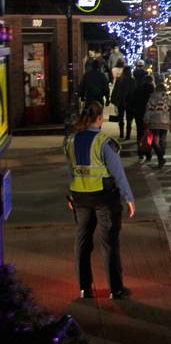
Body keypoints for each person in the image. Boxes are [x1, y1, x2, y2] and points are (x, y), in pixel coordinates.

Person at [64, 102, 136, 299]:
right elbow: (118, 173)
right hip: (104, 199)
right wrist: (129, 197)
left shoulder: (71, 141)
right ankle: (116, 289)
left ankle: (84, 288)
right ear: (99, 119)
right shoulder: (104, 142)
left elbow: (70, 171)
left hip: (80, 198)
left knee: (82, 242)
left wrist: (70, 194)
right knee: (109, 243)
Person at [143, 83, 171, 168]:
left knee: (154, 141)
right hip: (165, 122)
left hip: (155, 122)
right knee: (163, 140)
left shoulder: (153, 97)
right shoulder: (168, 98)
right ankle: (162, 155)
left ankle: (160, 157)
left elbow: (149, 109)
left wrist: (146, 119)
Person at [131, 75, 155, 158]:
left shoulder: (138, 89)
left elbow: (132, 100)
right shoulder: (152, 89)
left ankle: (140, 151)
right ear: (151, 81)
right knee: (149, 134)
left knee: (140, 133)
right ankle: (148, 152)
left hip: (139, 113)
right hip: (149, 114)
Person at [110, 66, 135, 140]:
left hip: (121, 101)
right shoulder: (132, 80)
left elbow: (115, 90)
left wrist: (113, 99)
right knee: (129, 119)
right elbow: (134, 90)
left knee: (121, 118)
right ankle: (128, 134)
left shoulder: (119, 80)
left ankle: (121, 133)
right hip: (130, 101)